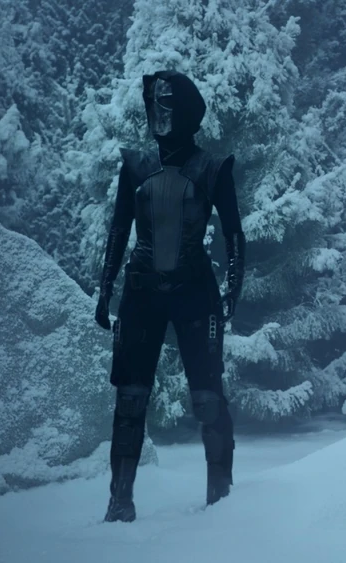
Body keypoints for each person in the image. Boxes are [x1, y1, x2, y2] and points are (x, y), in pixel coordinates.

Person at [94, 69, 245, 523]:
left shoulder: (212, 168)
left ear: (186, 111)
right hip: (142, 291)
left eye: (166, 104)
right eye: (153, 104)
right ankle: (120, 501)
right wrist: (105, 289)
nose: (158, 114)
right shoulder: (135, 166)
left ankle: (222, 499)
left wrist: (233, 286)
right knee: (130, 399)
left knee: (208, 397)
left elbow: (234, 234)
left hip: (195, 292)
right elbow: (118, 230)